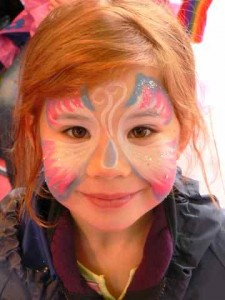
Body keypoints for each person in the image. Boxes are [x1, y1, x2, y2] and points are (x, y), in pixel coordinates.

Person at [0, 1, 225, 299]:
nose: (108, 166)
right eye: (77, 131)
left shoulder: (218, 256)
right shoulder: (7, 254)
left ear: (181, 134)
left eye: (140, 131)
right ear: (34, 133)